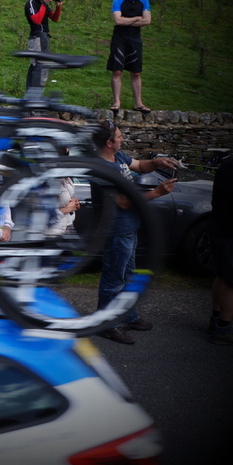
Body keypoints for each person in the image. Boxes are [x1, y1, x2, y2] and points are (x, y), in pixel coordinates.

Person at [93, 119, 179, 344]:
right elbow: (122, 202)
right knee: (114, 279)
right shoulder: (101, 168)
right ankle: (108, 324)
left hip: (129, 228)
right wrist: (158, 193)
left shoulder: (117, 157)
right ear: (109, 142)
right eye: (119, 136)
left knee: (129, 277)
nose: (123, 139)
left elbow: (140, 165)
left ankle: (128, 316)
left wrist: (157, 161)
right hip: (116, 231)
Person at [108, 0, 153, 114]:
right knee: (117, 70)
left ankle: (138, 103)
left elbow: (147, 21)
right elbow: (118, 21)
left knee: (136, 72)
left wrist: (127, 20)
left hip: (135, 38)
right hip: (119, 38)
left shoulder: (144, 1)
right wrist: (137, 18)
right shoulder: (118, 1)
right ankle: (116, 101)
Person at [207, 156, 233, 345]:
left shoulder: (227, 163)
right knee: (231, 283)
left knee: (220, 276)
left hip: (218, 227)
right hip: (230, 233)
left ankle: (215, 318)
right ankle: (224, 328)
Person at [24, 0, 62, 89]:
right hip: (37, 37)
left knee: (39, 66)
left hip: (43, 37)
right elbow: (36, 20)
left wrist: (58, 6)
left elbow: (54, 18)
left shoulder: (42, 4)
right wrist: (44, 3)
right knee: (40, 67)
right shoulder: (31, 3)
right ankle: (34, 97)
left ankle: (31, 96)